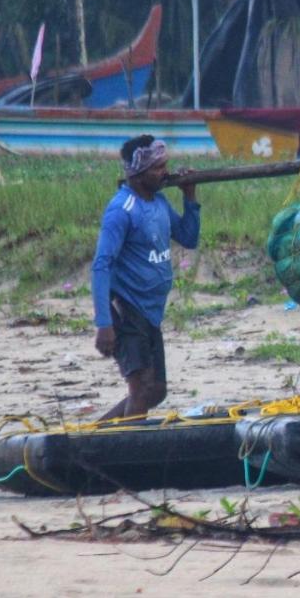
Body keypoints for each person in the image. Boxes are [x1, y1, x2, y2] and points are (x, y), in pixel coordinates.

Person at [91, 135, 200, 420]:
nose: (165, 172)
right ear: (138, 173)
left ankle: (95, 437)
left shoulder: (160, 203)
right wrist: (104, 324)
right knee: (140, 389)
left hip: (151, 313)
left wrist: (190, 198)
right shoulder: (121, 210)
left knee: (156, 390)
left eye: (165, 165)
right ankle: (127, 455)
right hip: (127, 310)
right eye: (157, 168)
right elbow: (101, 266)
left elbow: (188, 237)